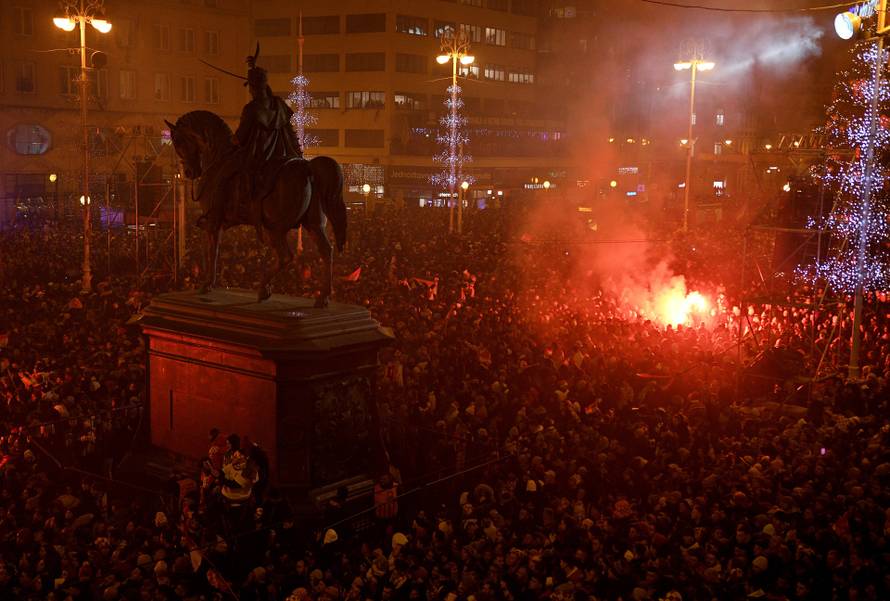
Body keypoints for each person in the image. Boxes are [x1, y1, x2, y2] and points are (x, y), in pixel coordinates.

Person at [197, 53, 303, 230]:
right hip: (279, 154)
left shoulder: (252, 109)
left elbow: (240, 138)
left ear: (252, 88)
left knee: (222, 176)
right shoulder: (278, 104)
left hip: (256, 156)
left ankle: (215, 216)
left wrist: (231, 140)